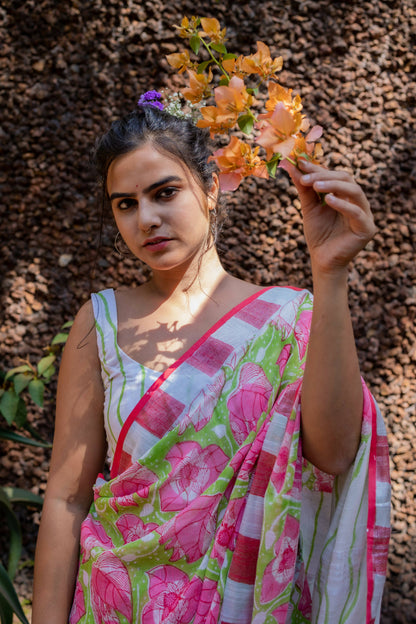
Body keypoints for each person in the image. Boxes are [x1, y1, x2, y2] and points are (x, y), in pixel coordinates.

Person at [32, 104, 390, 623]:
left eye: (165, 192)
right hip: (114, 603)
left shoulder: (289, 319)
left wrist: (329, 274)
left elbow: (333, 456)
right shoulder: (101, 320)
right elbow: (67, 499)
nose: (146, 218)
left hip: (241, 605)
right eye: (125, 204)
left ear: (212, 185)